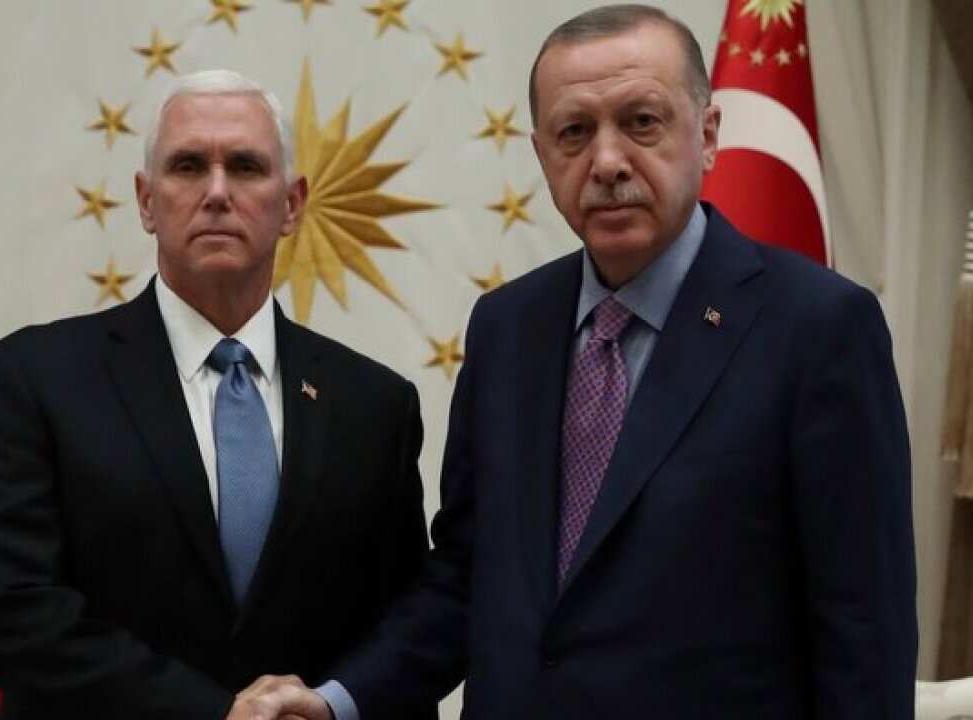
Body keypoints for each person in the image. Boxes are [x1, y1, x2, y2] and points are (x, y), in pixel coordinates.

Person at [228, 5, 918, 719]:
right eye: (575, 132)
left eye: (642, 122)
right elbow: (467, 579)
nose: (608, 162)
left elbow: (864, 631)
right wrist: (335, 703)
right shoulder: (507, 327)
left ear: (708, 135)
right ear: (542, 154)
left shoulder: (818, 328)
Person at [0, 69, 434, 720]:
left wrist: (331, 705)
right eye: (187, 166)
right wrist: (211, 713)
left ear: (292, 203)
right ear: (146, 201)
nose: (217, 192)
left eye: (246, 167)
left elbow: (404, 626)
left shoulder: (375, 405)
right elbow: (4, 608)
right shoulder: (38, 379)